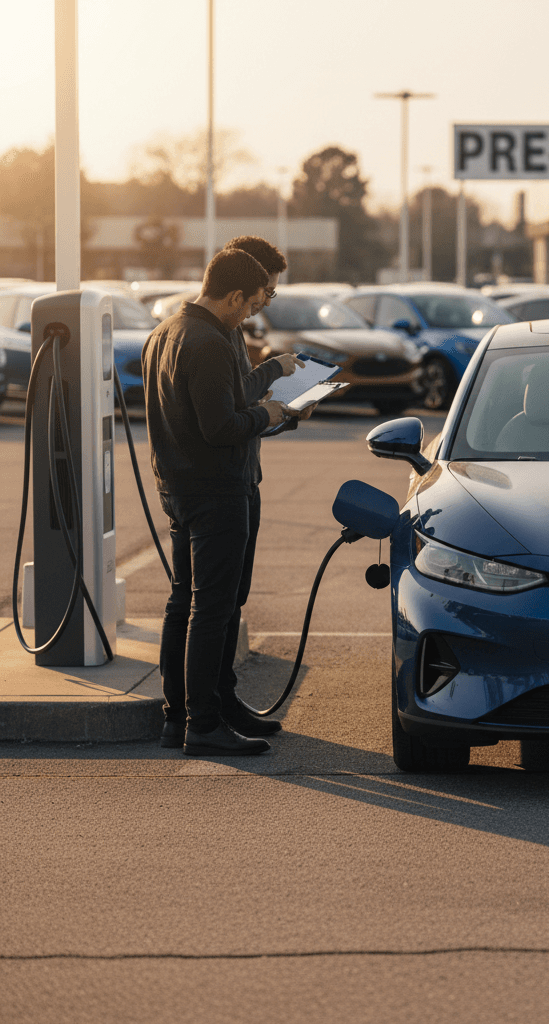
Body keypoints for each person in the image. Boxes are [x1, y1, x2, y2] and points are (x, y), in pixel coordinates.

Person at [143, 247, 302, 755]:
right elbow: (223, 426)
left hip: (180, 487)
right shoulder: (209, 342)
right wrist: (271, 415)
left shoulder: (166, 332)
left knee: (183, 602)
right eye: (253, 302)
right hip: (216, 491)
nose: (253, 313)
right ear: (233, 295)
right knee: (211, 610)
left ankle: (178, 718)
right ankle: (203, 726)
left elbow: (216, 404)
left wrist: (269, 380)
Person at [212, 235, 305, 738]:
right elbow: (229, 409)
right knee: (214, 603)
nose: (261, 305)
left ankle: (220, 701)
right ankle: (209, 709)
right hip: (221, 486)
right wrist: (273, 370)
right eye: (262, 294)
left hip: (245, 475)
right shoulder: (217, 332)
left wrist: (284, 415)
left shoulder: (227, 330)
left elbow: (241, 407)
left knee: (230, 600)